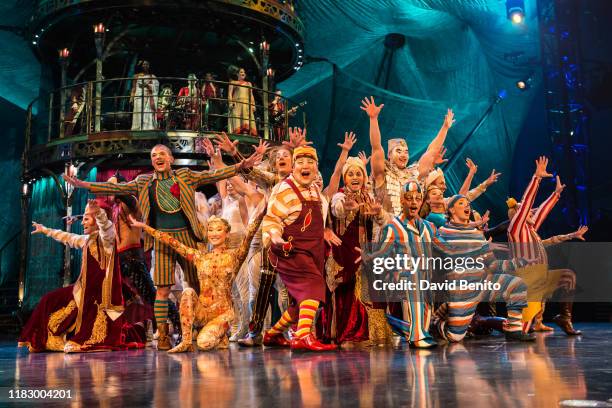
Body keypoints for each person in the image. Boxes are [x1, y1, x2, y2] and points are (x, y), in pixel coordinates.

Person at [62, 141, 264, 350]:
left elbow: (211, 176)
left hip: (187, 239)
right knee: (162, 289)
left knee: (196, 286)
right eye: (153, 155)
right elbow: (116, 187)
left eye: (161, 154)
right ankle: (164, 335)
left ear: (171, 159)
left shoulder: (184, 175)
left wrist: (241, 166)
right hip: (161, 240)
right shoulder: (144, 182)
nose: (157, 157)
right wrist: (84, 185)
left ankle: (198, 327)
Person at [129, 205, 264, 352]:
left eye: (219, 230)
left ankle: (221, 335)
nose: (214, 234)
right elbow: (172, 242)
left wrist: (262, 212)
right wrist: (144, 226)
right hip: (203, 312)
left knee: (203, 343)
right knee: (187, 292)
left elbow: (250, 233)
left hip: (223, 313)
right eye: (211, 230)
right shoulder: (200, 257)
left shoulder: (234, 256)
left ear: (227, 233)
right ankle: (186, 342)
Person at [18, 200, 146, 353]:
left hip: (98, 295)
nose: (82, 222)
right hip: (83, 290)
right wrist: (46, 230)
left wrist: (98, 213)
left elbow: (106, 227)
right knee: (49, 300)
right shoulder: (87, 240)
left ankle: (80, 340)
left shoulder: (107, 240)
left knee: (76, 308)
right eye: (84, 218)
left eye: (86, 218)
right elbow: (67, 237)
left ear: (97, 220)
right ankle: (45, 338)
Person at [262, 145, 337, 351]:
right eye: (301, 162)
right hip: (289, 250)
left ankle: (273, 334)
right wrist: (276, 237)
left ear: (316, 168)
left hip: (312, 251)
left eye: (310, 162)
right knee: (313, 287)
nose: (305, 166)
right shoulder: (285, 189)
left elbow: (319, 221)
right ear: (293, 167)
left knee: (304, 302)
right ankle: (303, 335)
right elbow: (271, 219)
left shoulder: (314, 190)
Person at [431, 195, 534, 342]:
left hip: (483, 283)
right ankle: (437, 322)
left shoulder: (477, 235)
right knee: (454, 337)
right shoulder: (443, 233)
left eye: (468, 204)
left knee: (516, 284)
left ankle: (514, 329)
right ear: (452, 210)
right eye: (462, 203)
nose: (467, 206)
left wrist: (517, 263)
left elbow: (492, 264)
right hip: (462, 289)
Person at [506, 157, 583, 335]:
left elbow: (542, 210)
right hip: (527, 283)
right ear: (519, 215)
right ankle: (507, 326)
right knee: (520, 331)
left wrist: (556, 194)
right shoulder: (516, 229)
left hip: (540, 279)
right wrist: (536, 178)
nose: (533, 212)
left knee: (568, 276)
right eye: (527, 212)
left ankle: (564, 317)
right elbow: (527, 204)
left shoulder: (531, 229)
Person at [321, 156, 391, 346]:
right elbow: (336, 210)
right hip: (343, 254)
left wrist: (380, 214)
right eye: (350, 173)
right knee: (347, 294)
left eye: (358, 173)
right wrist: (345, 207)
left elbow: (385, 222)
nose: (355, 177)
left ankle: (370, 335)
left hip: (364, 253)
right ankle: (349, 335)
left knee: (368, 294)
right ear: (345, 178)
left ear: (363, 177)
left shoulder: (369, 198)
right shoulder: (340, 195)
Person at [360, 96, 454, 218]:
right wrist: (373, 119)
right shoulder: (382, 173)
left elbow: (431, 151)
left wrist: (445, 128)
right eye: (398, 151)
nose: (403, 154)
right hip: (386, 231)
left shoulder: (413, 174)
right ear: (389, 155)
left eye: (406, 152)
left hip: (410, 232)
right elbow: (376, 147)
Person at [228, 66, 257, 136]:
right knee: (237, 119)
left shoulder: (249, 84)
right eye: (241, 72)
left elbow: (251, 95)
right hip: (237, 104)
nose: (243, 73)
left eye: (244, 72)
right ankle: (238, 134)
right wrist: (230, 103)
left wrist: (253, 105)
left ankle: (246, 133)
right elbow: (229, 94)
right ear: (237, 74)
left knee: (247, 119)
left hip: (247, 104)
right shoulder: (233, 82)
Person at [130, 60, 159, 130]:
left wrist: (147, 85)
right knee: (139, 112)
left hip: (148, 96)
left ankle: (147, 128)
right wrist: (131, 98)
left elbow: (156, 86)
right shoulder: (136, 76)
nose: (145, 66)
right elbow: (134, 88)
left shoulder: (152, 76)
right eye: (143, 64)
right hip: (138, 96)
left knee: (147, 112)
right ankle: (138, 128)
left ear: (149, 66)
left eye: (147, 64)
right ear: (141, 66)